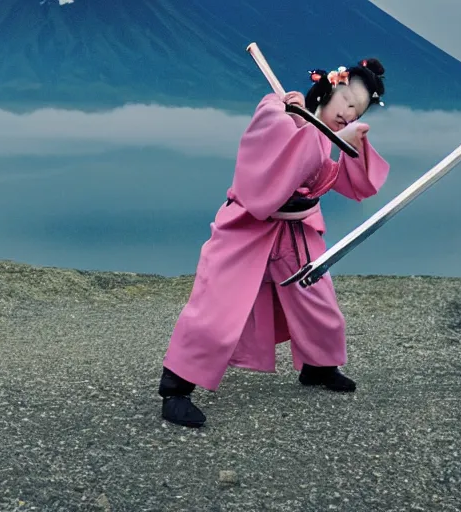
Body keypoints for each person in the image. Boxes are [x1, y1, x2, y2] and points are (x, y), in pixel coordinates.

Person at [158, 58, 390, 428]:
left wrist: (350, 145)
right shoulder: (277, 113)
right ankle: (176, 387)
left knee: (318, 302)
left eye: (358, 109)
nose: (350, 112)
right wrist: (330, 142)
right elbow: (275, 175)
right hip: (248, 226)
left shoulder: (322, 132)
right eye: (347, 100)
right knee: (217, 309)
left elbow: (353, 183)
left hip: (297, 230)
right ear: (328, 89)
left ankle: (318, 366)